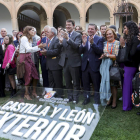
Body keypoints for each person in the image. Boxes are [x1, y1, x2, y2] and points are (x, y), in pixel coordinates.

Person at [79, 23, 103, 105]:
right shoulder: (84, 38)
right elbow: (80, 51)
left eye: (92, 29)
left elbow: (100, 51)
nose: (90, 30)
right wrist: (83, 44)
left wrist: (92, 43)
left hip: (94, 65)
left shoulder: (99, 39)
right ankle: (87, 98)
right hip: (85, 65)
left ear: (96, 30)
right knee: (85, 84)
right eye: (89, 29)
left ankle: (97, 100)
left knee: (96, 84)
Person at [58, 19, 82, 103]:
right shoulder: (64, 35)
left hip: (74, 61)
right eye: (66, 25)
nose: (67, 26)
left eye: (69, 25)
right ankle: (70, 97)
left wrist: (68, 39)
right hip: (65, 62)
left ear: (73, 26)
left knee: (75, 82)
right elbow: (62, 48)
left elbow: (76, 46)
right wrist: (60, 42)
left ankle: (75, 98)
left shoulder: (78, 35)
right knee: (68, 82)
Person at [19, 26, 46, 100]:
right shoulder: (24, 38)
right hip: (24, 58)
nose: (34, 32)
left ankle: (34, 92)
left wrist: (39, 47)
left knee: (35, 75)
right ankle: (26, 93)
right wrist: (38, 46)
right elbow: (28, 49)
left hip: (29, 57)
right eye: (32, 30)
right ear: (28, 31)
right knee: (28, 76)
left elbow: (30, 50)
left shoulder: (29, 38)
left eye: (34, 30)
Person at [99, 28, 120, 109]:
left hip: (113, 66)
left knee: (113, 85)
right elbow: (103, 53)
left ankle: (114, 101)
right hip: (104, 67)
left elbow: (116, 56)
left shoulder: (117, 43)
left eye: (110, 34)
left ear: (114, 34)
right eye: (107, 34)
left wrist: (107, 55)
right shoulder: (104, 43)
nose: (108, 35)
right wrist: (102, 56)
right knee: (105, 83)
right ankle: (109, 99)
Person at [122, 21, 140, 111]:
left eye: (125, 28)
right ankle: (127, 104)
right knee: (126, 85)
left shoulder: (135, 38)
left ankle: (127, 106)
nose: (124, 30)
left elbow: (132, 53)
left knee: (127, 86)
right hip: (127, 65)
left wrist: (124, 45)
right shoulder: (130, 39)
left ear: (130, 29)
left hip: (131, 65)